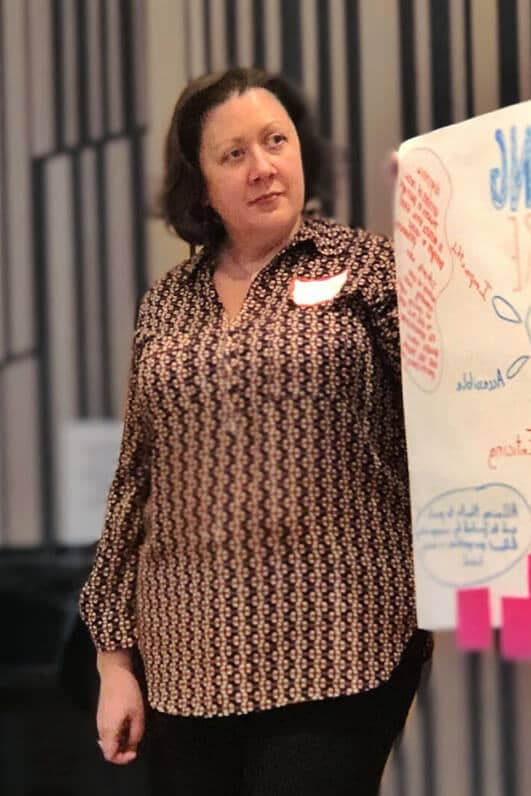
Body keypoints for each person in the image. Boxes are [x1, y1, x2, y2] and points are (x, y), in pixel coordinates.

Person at [79, 67, 432, 795]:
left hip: (341, 633)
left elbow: (450, 381)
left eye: (276, 140)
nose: (263, 165)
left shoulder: (365, 266)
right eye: (232, 153)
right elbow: (136, 479)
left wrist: (439, 230)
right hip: (184, 655)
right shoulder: (167, 303)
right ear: (199, 183)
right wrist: (114, 660)